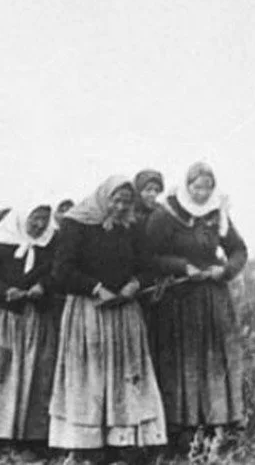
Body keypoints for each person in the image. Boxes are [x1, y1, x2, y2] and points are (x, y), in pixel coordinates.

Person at [48, 176, 167, 463]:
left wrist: (135, 285)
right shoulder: (77, 224)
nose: (121, 206)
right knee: (90, 375)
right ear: (104, 197)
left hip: (124, 312)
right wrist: (95, 287)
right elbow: (61, 271)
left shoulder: (132, 228)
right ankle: (87, 444)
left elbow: (148, 267)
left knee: (124, 375)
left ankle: (122, 440)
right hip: (88, 311)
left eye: (126, 202)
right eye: (116, 200)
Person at [144, 162, 248, 451]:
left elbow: (239, 249)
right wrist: (181, 266)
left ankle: (217, 424)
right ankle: (181, 429)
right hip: (179, 301)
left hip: (213, 299)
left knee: (213, 359)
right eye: (197, 187)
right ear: (187, 186)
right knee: (183, 361)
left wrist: (225, 271)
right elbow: (148, 256)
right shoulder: (166, 214)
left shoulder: (217, 213)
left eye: (207, 187)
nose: (202, 193)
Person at [0, 203, 60, 447]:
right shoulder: (0, 240)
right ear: (22, 217)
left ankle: (29, 435)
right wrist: (4, 290)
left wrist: (43, 286)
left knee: (35, 371)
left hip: (36, 318)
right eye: (34, 219)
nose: (39, 225)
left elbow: (57, 271)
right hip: (4, 317)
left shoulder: (52, 243)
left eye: (44, 219)